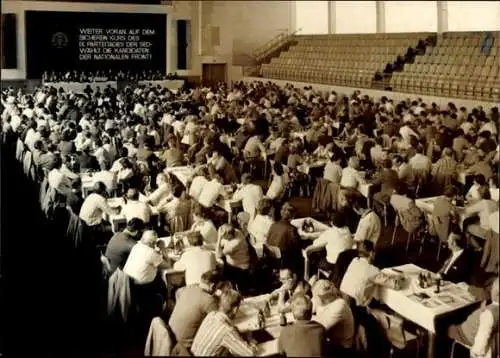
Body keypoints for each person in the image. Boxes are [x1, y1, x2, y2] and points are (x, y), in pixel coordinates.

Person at [191, 289, 258, 356]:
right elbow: (249, 353)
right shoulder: (226, 331)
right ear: (235, 309)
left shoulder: (211, 315)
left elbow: (227, 329)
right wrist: (251, 340)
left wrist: (239, 331)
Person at [169, 270, 219, 352]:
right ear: (213, 286)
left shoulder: (188, 288)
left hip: (170, 336)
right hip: (185, 347)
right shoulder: (209, 300)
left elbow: (177, 292)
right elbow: (220, 321)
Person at [448, 278, 499, 358]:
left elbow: (483, 336)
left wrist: (475, 353)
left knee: (446, 327)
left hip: (466, 335)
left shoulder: (489, 313)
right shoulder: (492, 311)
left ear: (496, 294)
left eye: (492, 288)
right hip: (487, 340)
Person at [311, 280, 355, 357]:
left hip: (341, 348)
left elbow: (321, 327)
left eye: (316, 296)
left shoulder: (340, 305)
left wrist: (306, 318)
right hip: (329, 341)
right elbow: (305, 309)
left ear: (325, 297)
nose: (314, 298)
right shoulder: (320, 297)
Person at [303, 212, 353, 277]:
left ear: (332, 222)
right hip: (346, 263)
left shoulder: (330, 232)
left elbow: (316, 243)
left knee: (312, 254)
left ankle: (312, 277)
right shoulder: (347, 230)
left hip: (332, 264)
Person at [122, 230, 169, 297]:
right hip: (142, 287)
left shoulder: (136, 246)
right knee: (163, 283)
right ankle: (164, 304)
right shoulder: (151, 253)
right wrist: (163, 248)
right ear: (153, 242)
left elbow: (147, 256)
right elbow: (168, 266)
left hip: (129, 284)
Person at [278, 293, 326, 358]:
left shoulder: (285, 331)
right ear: (311, 313)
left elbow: (281, 352)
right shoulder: (320, 328)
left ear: (293, 313)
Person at [340, 240, 380, 307]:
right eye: (374, 251)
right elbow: (393, 283)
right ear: (371, 253)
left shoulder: (354, 261)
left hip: (343, 296)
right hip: (355, 305)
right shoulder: (374, 270)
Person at [216, 224, 251, 293]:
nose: (222, 238)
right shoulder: (236, 231)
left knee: (219, 271)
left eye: (223, 236)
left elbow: (218, 255)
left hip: (238, 268)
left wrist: (219, 238)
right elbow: (221, 244)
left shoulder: (235, 243)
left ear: (229, 235)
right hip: (234, 263)